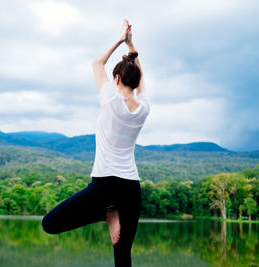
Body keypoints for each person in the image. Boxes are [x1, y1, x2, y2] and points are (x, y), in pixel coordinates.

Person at [42, 19, 151, 267]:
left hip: (104, 186)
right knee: (123, 257)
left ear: (116, 80)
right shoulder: (145, 108)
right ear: (135, 82)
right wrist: (131, 46)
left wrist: (120, 39)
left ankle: (106, 213)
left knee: (49, 224)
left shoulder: (111, 100)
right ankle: (109, 212)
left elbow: (96, 63)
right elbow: (139, 76)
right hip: (131, 188)